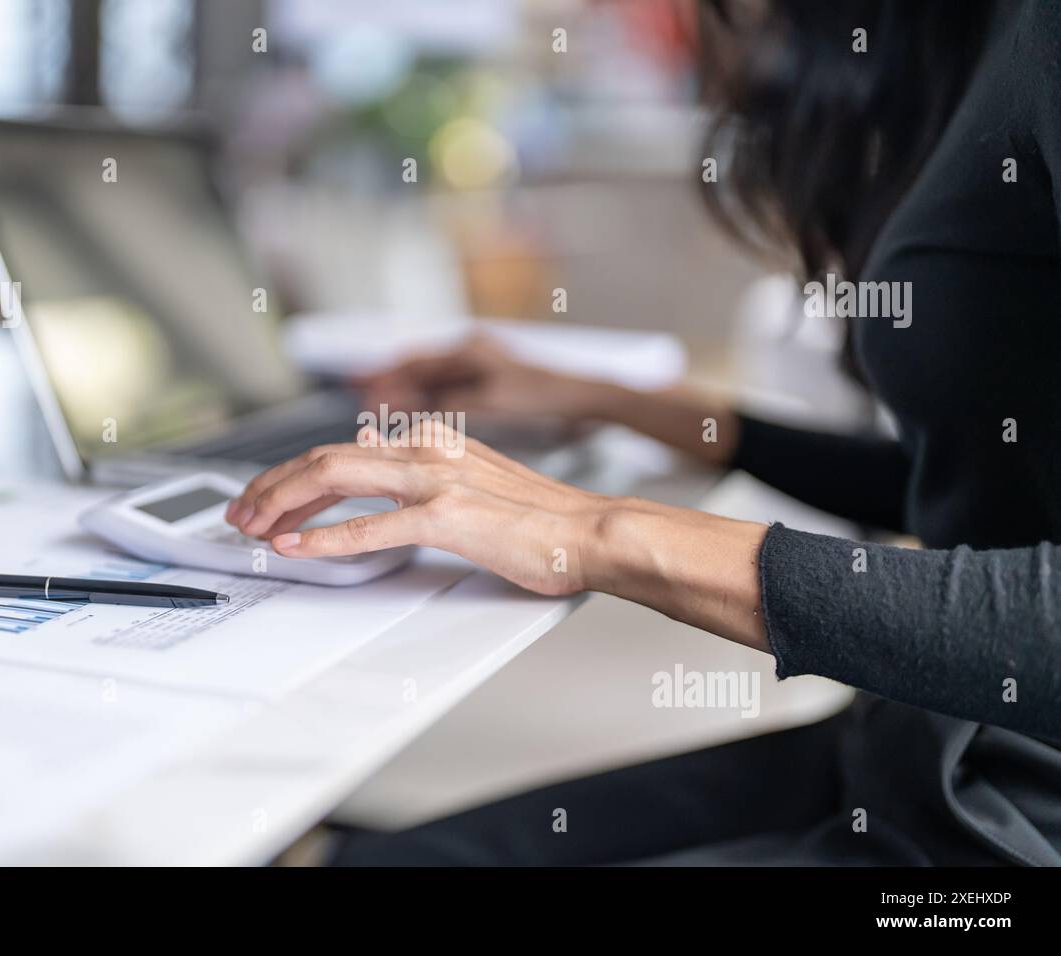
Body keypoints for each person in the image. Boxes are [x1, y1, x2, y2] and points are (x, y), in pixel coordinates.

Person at [225, 0, 1061, 865]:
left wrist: (596, 531)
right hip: (931, 745)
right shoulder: (967, 37)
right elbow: (987, 489)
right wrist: (611, 400)